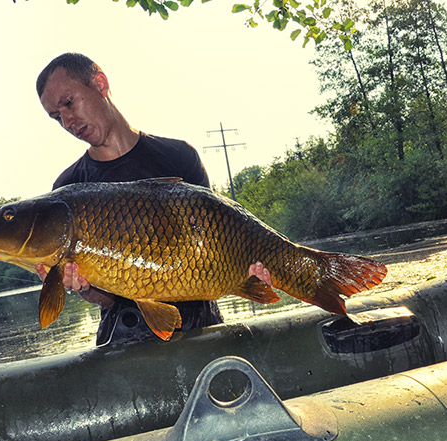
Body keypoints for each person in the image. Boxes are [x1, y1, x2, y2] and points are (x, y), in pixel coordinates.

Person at [35, 52, 270, 345]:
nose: (68, 121)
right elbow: (106, 299)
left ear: (100, 84)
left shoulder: (179, 156)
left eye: (68, 103)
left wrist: (250, 275)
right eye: (56, 117)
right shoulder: (69, 189)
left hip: (203, 328)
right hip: (125, 339)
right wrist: (84, 288)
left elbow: (217, 247)